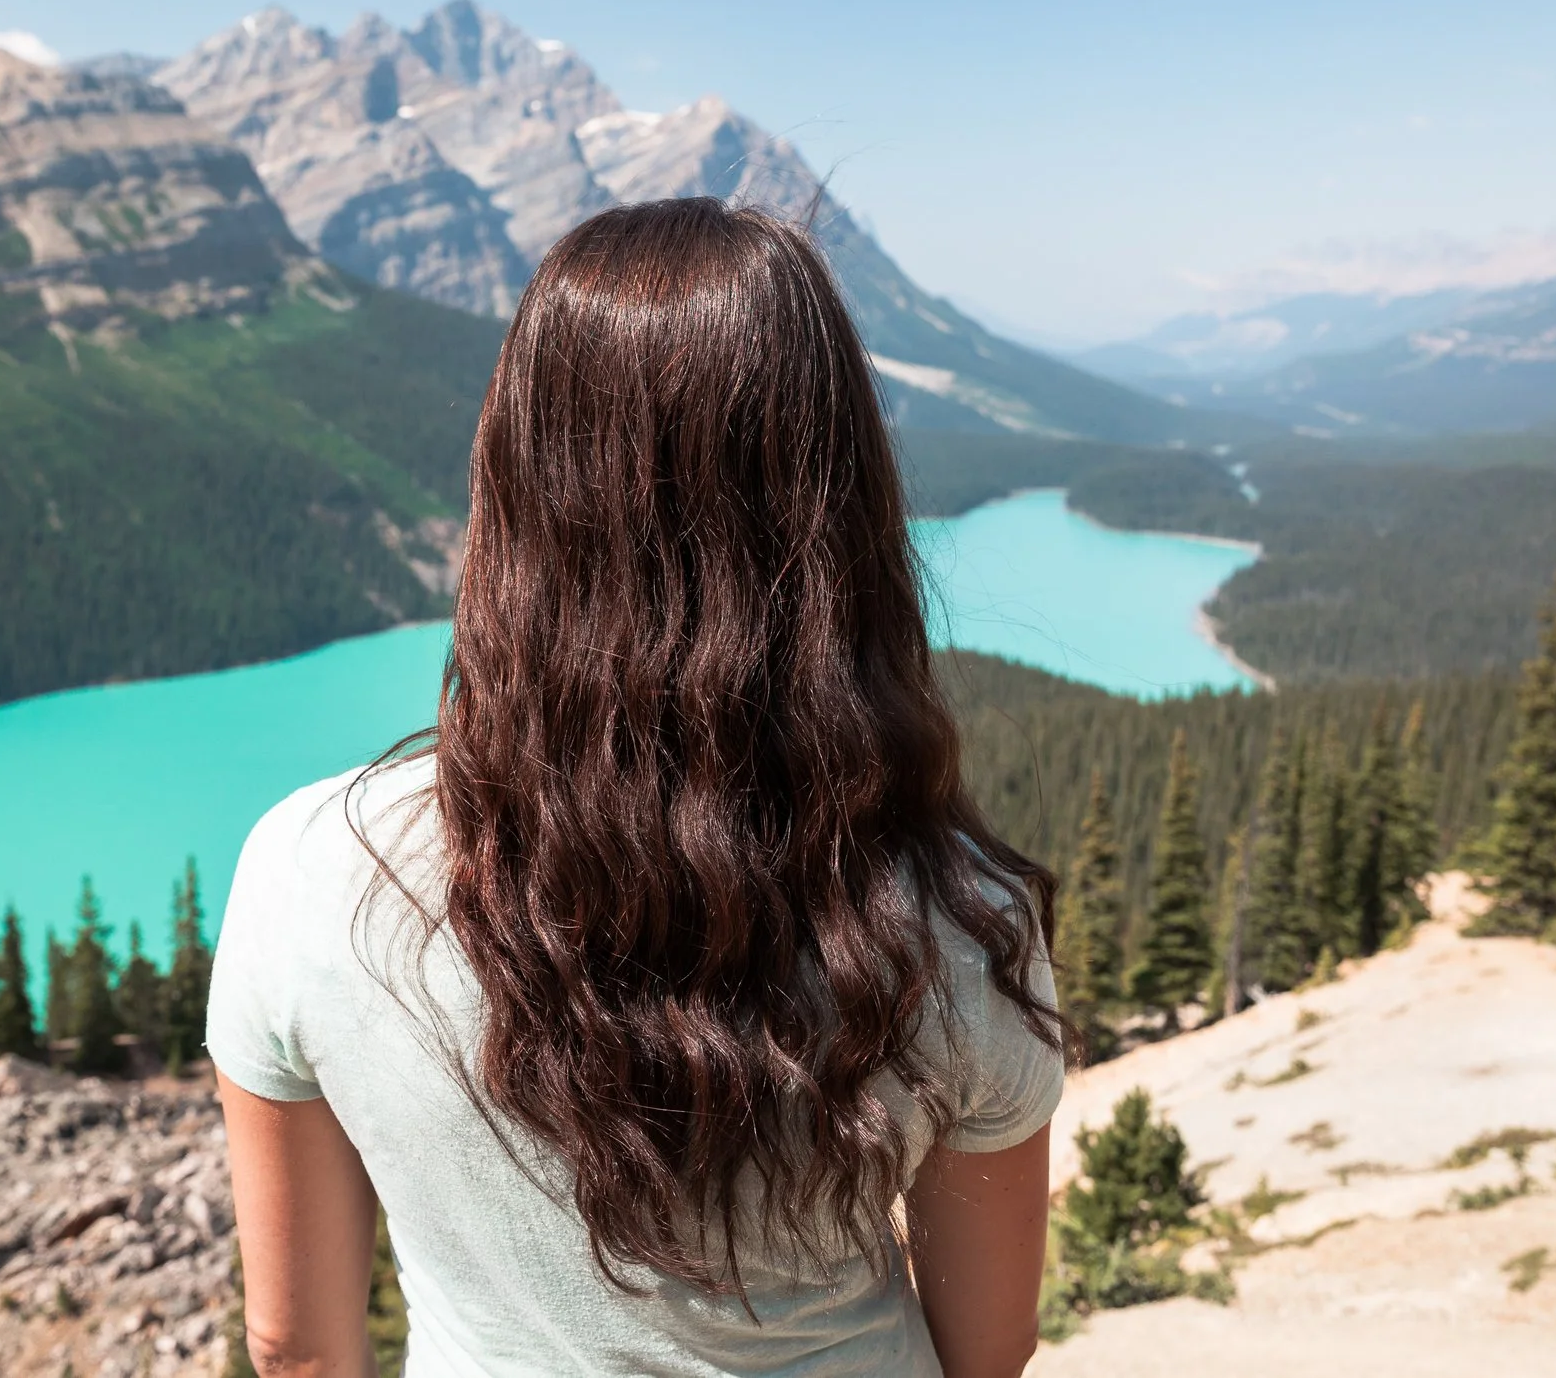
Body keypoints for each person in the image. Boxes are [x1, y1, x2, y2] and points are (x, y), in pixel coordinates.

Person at [210, 198, 1064, 1378]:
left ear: (512, 480)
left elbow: (295, 1344)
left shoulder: (308, 869)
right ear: (838, 506)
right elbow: (990, 1348)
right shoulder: (956, 920)